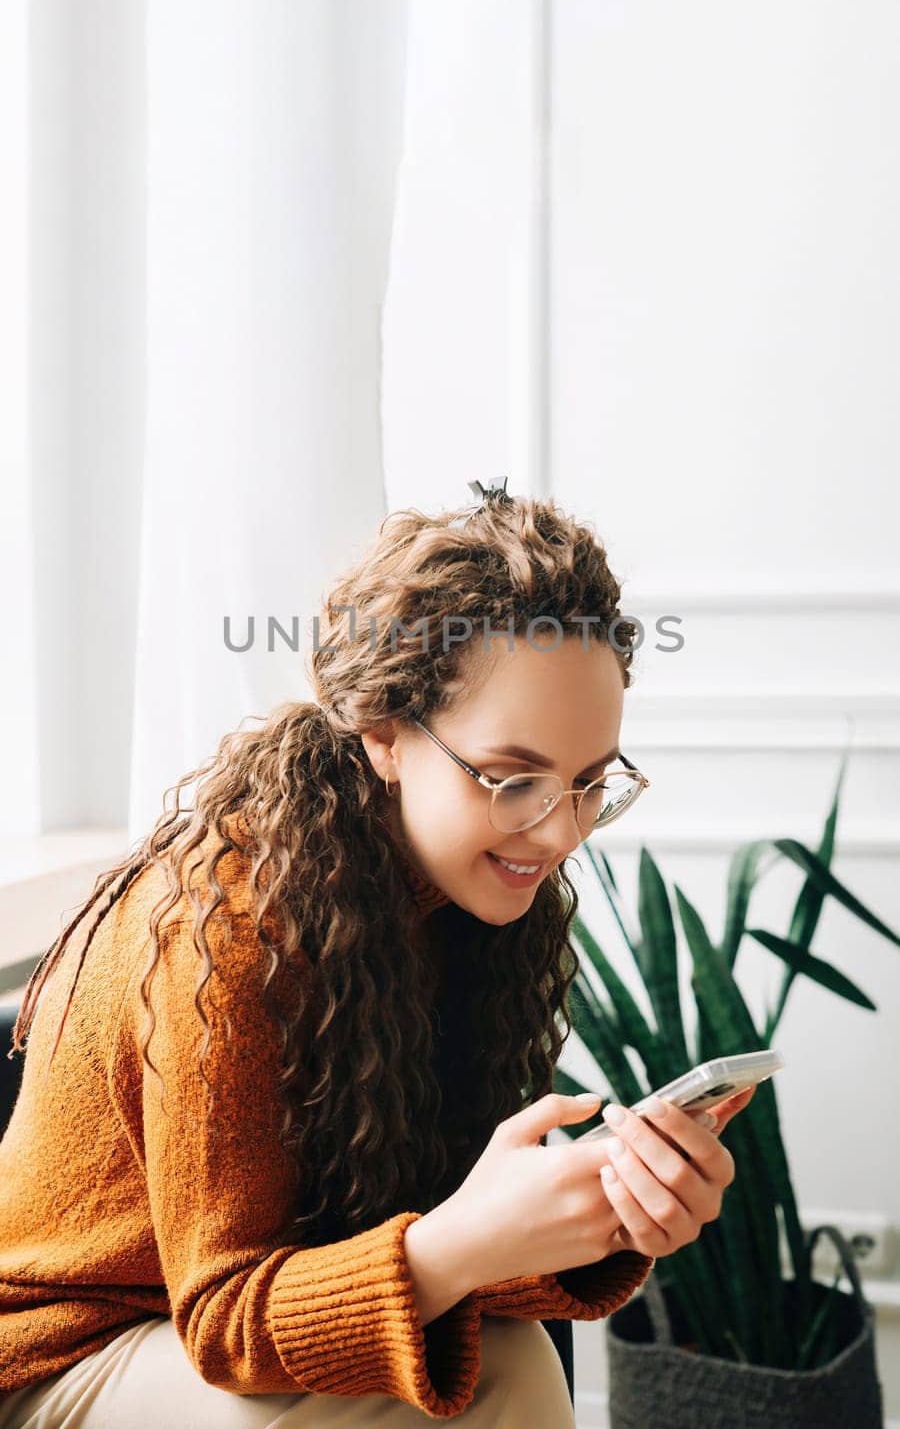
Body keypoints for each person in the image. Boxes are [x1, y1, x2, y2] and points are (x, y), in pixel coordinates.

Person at [0, 482, 752, 1426]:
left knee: (510, 1365)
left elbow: (425, 1236)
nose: (558, 831)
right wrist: (461, 1247)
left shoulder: (478, 897)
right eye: (513, 778)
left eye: (592, 782)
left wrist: (601, 1220)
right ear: (386, 735)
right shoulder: (225, 932)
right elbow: (229, 1324)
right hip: (59, 1352)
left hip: (213, 1339)